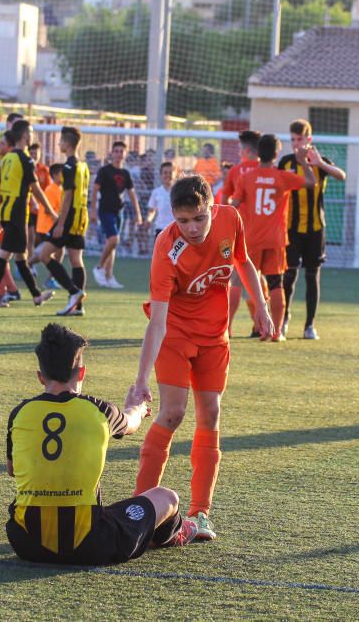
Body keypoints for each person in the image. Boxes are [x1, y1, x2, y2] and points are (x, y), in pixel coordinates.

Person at [130, 175, 273, 541]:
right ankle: (138, 507)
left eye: (198, 218)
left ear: (212, 207)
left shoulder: (231, 219)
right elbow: (157, 322)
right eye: (182, 220)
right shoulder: (166, 247)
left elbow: (243, 263)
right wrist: (140, 379)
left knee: (211, 413)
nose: (191, 228)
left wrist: (260, 306)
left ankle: (201, 514)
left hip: (214, 336)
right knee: (173, 413)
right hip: (176, 334)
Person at [6, 323, 198, 565]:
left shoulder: (20, 413)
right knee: (166, 497)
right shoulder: (99, 410)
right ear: (82, 372)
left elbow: (13, 470)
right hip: (90, 544)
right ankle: (177, 532)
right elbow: (132, 422)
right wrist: (136, 407)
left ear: (40, 376)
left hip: (26, 543)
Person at [232, 134, 315, 342]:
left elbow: (234, 205)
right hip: (276, 239)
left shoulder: (246, 178)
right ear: (277, 154)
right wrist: (303, 162)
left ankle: (238, 328)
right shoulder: (282, 176)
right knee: (276, 282)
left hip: (252, 239)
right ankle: (276, 332)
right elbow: (311, 182)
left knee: (243, 283)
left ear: (258, 153)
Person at [278, 119, 346, 341]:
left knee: (312, 276)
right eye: (293, 140)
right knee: (288, 275)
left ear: (309, 140)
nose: (296, 144)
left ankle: (309, 326)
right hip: (291, 228)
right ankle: (284, 318)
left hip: (316, 228)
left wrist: (320, 164)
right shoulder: (286, 162)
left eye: (300, 139)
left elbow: (341, 175)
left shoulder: (319, 163)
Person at [0, 119, 59, 307]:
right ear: (25, 135)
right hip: (17, 213)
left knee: (18, 256)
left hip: (7, 211)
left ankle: (35, 295)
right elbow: (36, 189)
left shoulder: (7, 158)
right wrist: (50, 211)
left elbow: (0, 186)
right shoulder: (25, 159)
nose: (32, 135)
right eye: (31, 132)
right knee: (6, 255)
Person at [33, 126, 90, 317]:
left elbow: (68, 197)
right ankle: (77, 306)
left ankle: (74, 292)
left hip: (69, 218)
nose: (59, 144)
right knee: (76, 259)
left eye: (60, 141)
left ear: (67, 143)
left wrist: (60, 223)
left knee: (44, 255)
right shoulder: (83, 166)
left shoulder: (68, 167)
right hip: (81, 218)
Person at [219, 130, 261, 335]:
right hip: (265, 232)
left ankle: (228, 327)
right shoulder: (269, 170)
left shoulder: (236, 171)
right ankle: (260, 324)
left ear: (246, 149)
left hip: (239, 230)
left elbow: (224, 202)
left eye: (239, 148)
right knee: (258, 278)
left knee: (235, 279)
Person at [91, 141, 143, 289]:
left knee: (112, 244)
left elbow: (132, 194)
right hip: (105, 211)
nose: (119, 154)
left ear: (125, 154)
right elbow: (95, 190)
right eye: (116, 151)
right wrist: (93, 210)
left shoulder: (126, 173)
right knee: (114, 239)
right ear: (112, 153)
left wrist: (138, 214)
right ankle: (99, 268)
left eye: (122, 151)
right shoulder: (105, 171)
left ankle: (109, 276)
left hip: (118, 211)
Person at [27, 161, 64, 287]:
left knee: (48, 252)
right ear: (54, 176)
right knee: (58, 251)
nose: (64, 176)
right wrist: (59, 223)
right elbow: (49, 209)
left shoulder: (60, 189)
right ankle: (49, 279)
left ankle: (28, 264)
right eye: (61, 173)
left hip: (52, 225)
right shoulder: (51, 190)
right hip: (47, 226)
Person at [143, 162, 175, 239]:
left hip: (175, 229)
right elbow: (152, 210)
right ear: (161, 175)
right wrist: (148, 220)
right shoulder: (156, 192)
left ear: (175, 174)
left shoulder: (179, 191)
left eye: (170, 172)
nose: (168, 175)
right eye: (165, 173)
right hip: (160, 230)